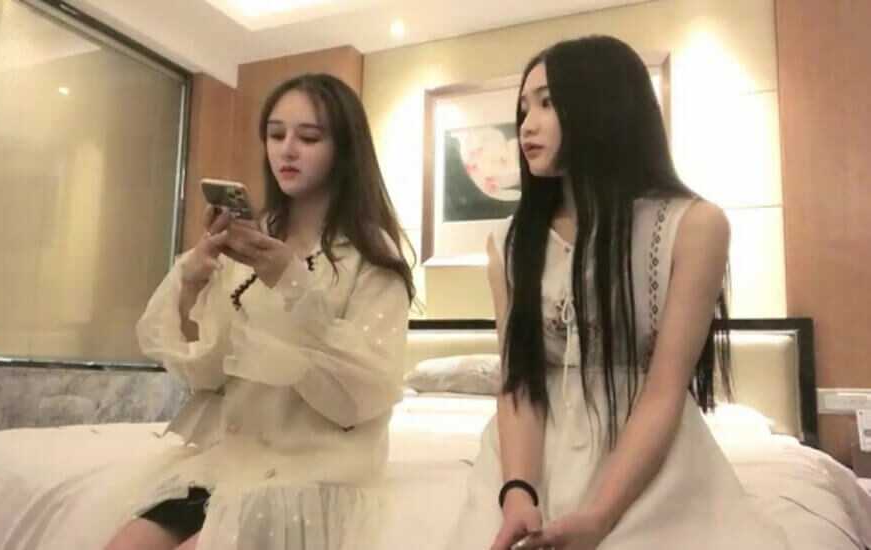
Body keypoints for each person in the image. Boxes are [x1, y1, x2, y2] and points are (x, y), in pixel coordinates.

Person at [444, 36, 789, 550]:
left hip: (647, 457)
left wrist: (600, 515)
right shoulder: (510, 241)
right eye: (523, 109)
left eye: (547, 103)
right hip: (527, 459)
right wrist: (517, 491)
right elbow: (519, 383)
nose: (527, 125)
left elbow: (665, 388)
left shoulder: (694, 225)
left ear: (603, 104)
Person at [104, 73, 415, 550]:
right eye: (275, 134)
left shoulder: (372, 255)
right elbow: (209, 375)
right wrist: (193, 282)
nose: (287, 149)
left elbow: (361, 394)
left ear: (344, 148)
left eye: (308, 137)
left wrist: (290, 280)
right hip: (229, 461)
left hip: (311, 470)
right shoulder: (254, 242)